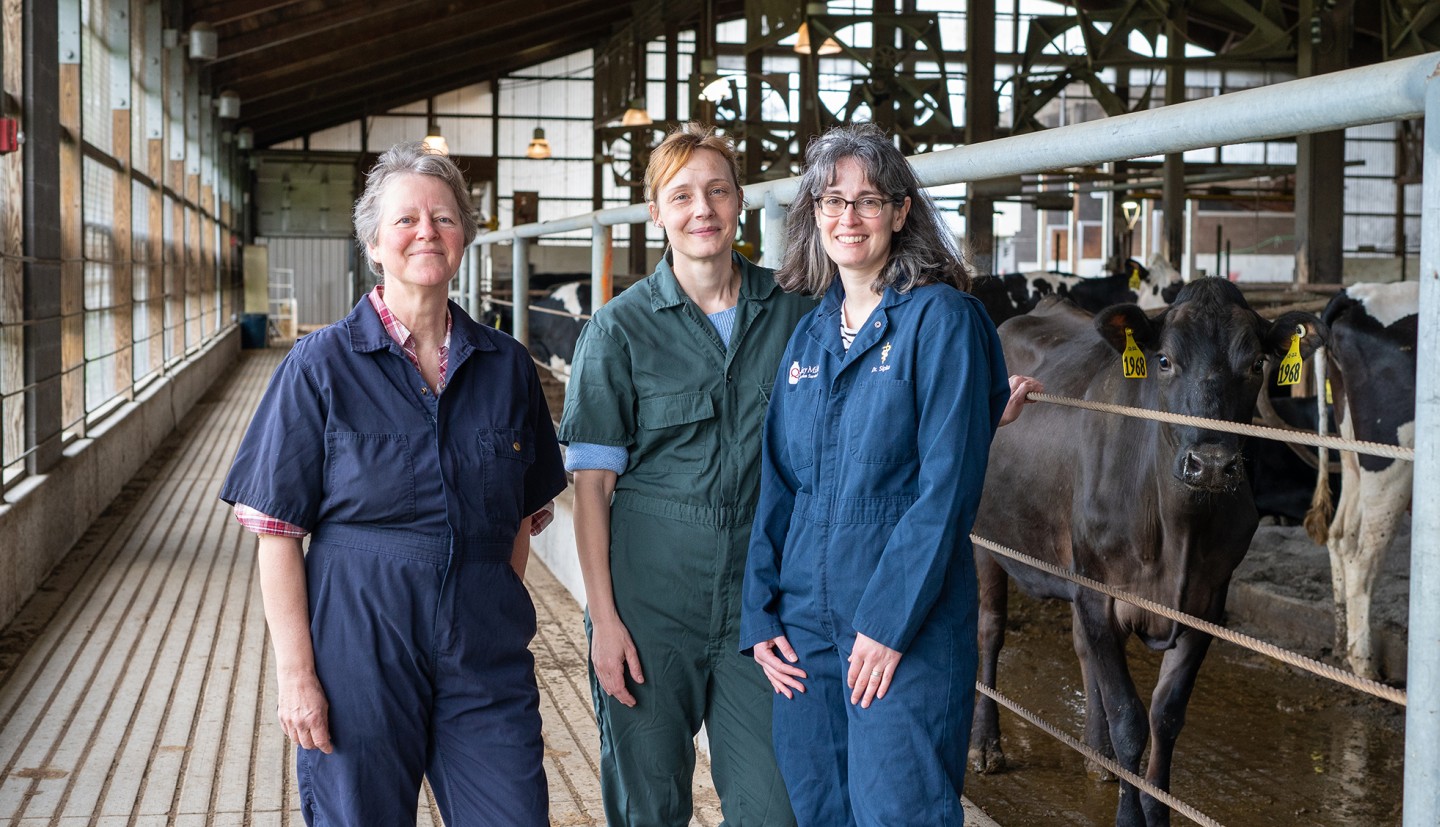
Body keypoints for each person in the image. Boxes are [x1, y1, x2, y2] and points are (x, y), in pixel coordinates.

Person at [219, 141, 566, 826]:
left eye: (443, 218)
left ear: (464, 236)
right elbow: (277, 536)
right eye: (405, 220)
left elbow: (524, 518)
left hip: (482, 648)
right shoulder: (319, 366)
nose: (426, 232)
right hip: (359, 645)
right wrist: (297, 676)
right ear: (374, 242)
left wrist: (483, 601)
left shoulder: (506, 366)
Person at [739, 121, 1022, 826]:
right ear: (813, 216)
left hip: (905, 627)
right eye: (832, 201)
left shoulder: (943, 321)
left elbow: (947, 490)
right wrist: (760, 613)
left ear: (900, 212)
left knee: (901, 811)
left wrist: (889, 623)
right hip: (804, 631)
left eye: (868, 201)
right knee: (819, 809)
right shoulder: (809, 334)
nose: (848, 217)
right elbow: (779, 482)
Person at [558, 123, 810, 826]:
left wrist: (973, 400)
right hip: (648, 607)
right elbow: (591, 492)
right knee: (649, 806)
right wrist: (603, 619)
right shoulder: (617, 330)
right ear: (657, 213)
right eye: (682, 195)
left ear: (738, 205)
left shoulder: (793, 311)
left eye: (718, 191)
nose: (703, 209)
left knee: (774, 808)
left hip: (761, 609)